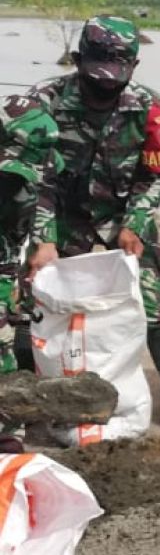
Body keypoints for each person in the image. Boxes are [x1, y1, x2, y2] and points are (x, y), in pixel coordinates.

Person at [23, 16, 160, 436]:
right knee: (36, 301)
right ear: (78, 59)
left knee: (158, 302)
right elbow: (36, 178)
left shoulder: (152, 109)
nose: (106, 87)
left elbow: (155, 175)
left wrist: (137, 223)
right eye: (97, 77)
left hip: (123, 213)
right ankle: (33, 402)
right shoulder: (44, 103)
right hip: (63, 215)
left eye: (116, 79)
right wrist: (44, 238)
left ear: (134, 68)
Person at [0, 95, 59, 453]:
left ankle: (8, 438)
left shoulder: (34, 165)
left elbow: (44, 192)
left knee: (7, 348)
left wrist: (44, 238)